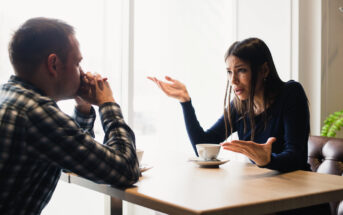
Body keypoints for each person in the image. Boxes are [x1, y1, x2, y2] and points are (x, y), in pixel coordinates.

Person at [149, 37, 330, 214]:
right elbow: (203, 145)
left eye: (241, 70)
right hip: (264, 197)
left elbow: (297, 157)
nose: (233, 80)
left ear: (264, 70)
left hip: (300, 202)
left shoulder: (291, 93)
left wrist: (268, 160)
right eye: (229, 72)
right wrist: (185, 102)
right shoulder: (239, 106)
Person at [0, 17, 140, 215]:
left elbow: (73, 158)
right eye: (77, 63)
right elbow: (125, 170)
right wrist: (108, 103)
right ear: (54, 64)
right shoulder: (36, 113)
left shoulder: (10, 96)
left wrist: (83, 109)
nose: (82, 73)